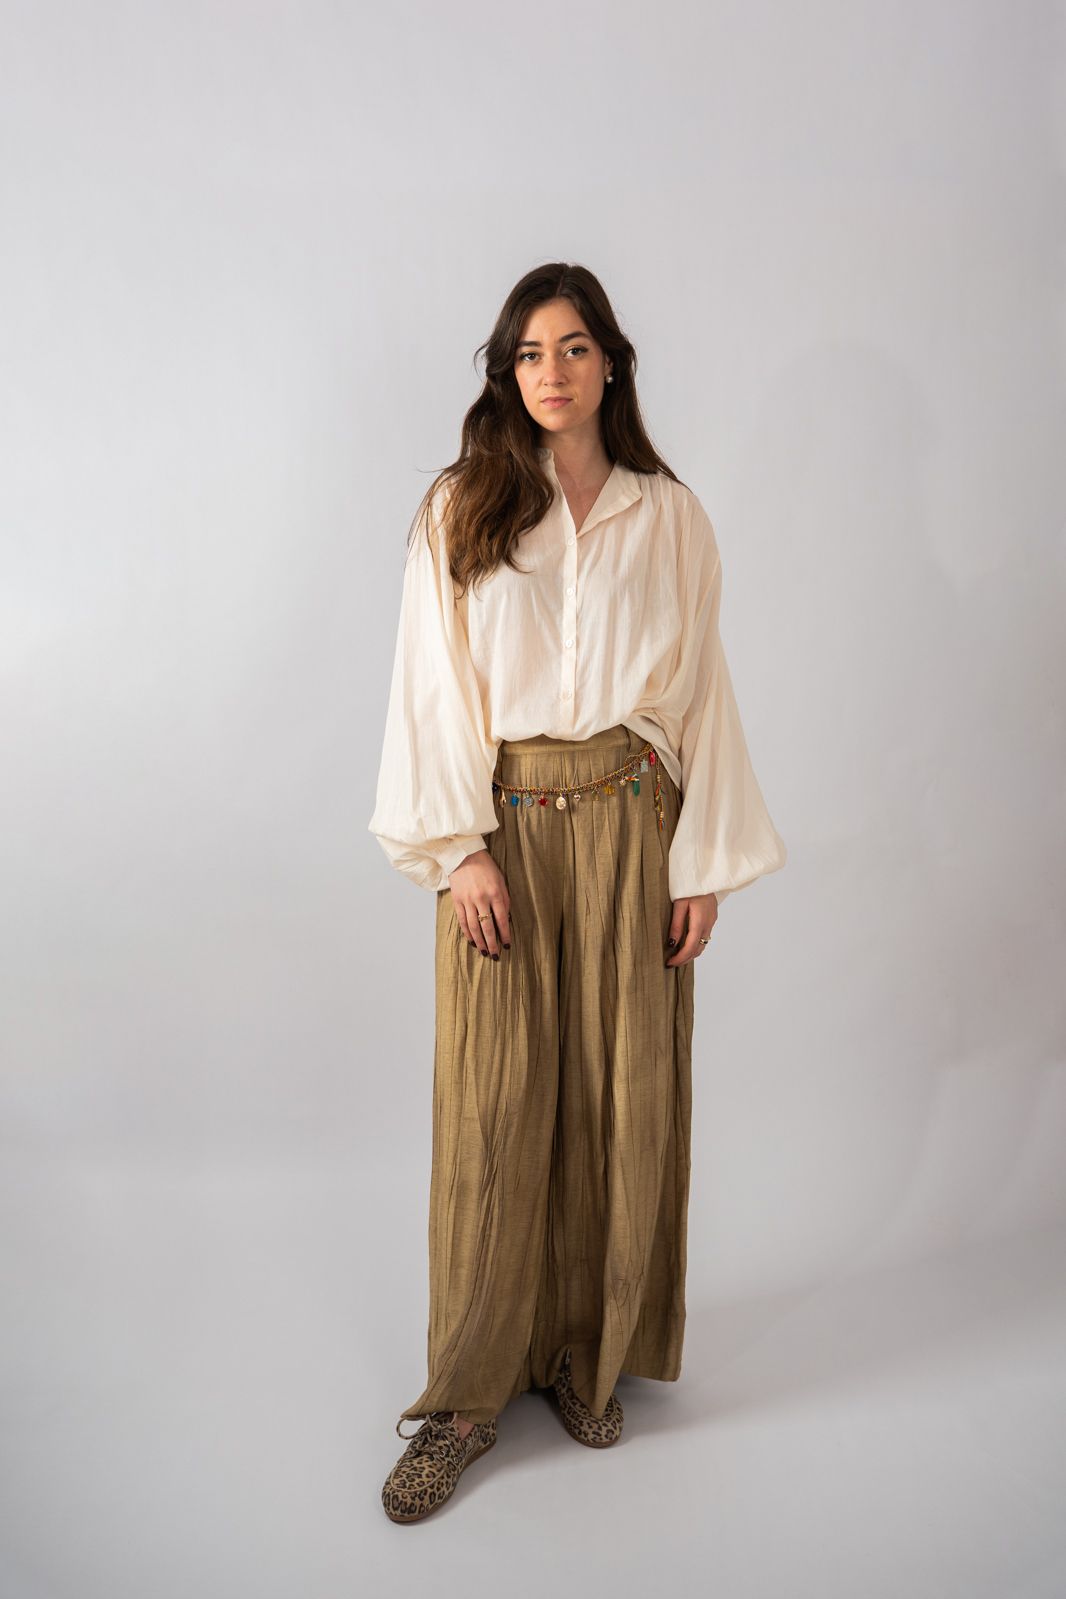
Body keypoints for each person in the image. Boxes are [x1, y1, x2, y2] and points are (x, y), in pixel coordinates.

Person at [367, 262, 787, 1523]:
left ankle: (583, 1354)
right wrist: (457, 852)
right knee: (496, 1106)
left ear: (612, 362)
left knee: (618, 1094)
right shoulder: (461, 505)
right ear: (507, 373)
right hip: (502, 830)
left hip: (632, 827)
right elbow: (430, 683)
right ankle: (462, 1401)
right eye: (527, 353)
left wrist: (701, 866)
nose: (550, 372)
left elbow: (700, 690)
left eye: (572, 347)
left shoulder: (672, 516)